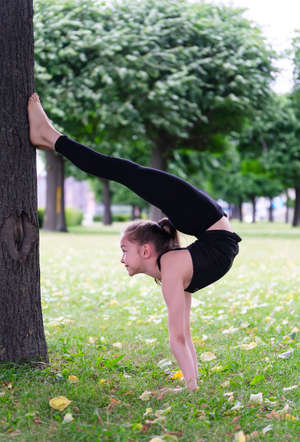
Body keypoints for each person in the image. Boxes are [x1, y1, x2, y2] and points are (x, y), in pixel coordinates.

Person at [28, 93, 241, 391]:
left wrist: (189, 389)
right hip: (215, 233)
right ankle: (48, 137)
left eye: (124, 249)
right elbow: (184, 334)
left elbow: (177, 338)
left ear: (146, 249)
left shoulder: (172, 264)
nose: (121, 258)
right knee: (123, 171)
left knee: (122, 170)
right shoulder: (176, 266)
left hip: (212, 230)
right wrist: (191, 387)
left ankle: (50, 136)